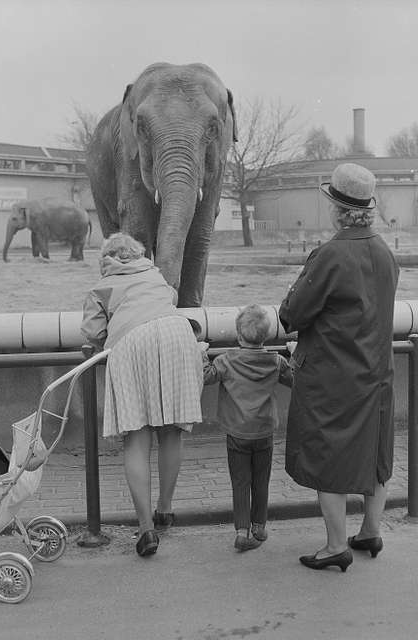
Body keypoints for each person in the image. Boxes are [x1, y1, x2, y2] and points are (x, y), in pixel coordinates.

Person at [279, 163, 400, 572]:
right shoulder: (384, 252)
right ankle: (370, 531)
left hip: (332, 376)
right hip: (377, 372)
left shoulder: (330, 254)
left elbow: (292, 314)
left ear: (336, 209)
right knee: (375, 452)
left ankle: (334, 546)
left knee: (325, 457)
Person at [81, 232, 203, 557]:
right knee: (172, 432)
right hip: (177, 335)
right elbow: (170, 299)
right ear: (137, 254)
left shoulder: (100, 287)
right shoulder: (155, 274)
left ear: (106, 260)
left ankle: (146, 528)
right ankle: (166, 508)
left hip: (132, 343)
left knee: (136, 439)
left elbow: (93, 333)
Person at [201, 304, 293, 551]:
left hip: (237, 432)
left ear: (239, 336)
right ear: (266, 336)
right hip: (264, 432)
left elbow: (205, 376)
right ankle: (259, 525)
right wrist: (293, 353)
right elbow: (296, 379)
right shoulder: (276, 361)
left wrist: (200, 352)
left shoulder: (226, 361)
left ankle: (242, 530)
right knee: (261, 480)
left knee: (240, 481)